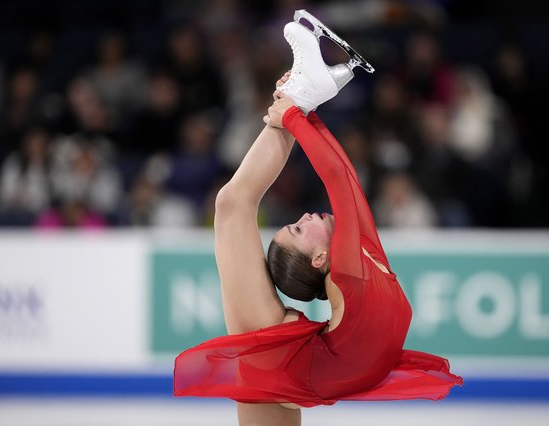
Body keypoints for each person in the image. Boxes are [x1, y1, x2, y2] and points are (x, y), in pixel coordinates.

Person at [174, 15, 461, 426]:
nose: (304, 215)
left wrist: (300, 110)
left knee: (232, 205)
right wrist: (297, 113)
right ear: (319, 258)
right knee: (231, 204)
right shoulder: (351, 265)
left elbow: (342, 178)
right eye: (297, 229)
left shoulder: (353, 264)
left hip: (295, 366)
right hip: (304, 368)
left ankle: (304, 90)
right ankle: (304, 91)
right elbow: (341, 179)